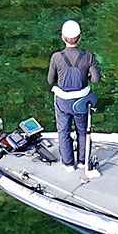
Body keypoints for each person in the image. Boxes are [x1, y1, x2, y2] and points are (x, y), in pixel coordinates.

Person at [47, 20, 101, 172]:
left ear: (63, 38)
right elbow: (96, 79)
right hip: (82, 101)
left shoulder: (56, 57)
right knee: (82, 130)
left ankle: (69, 164)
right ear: (80, 37)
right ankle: (83, 161)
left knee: (63, 131)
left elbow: (50, 80)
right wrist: (88, 75)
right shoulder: (88, 56)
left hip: (63, 101)